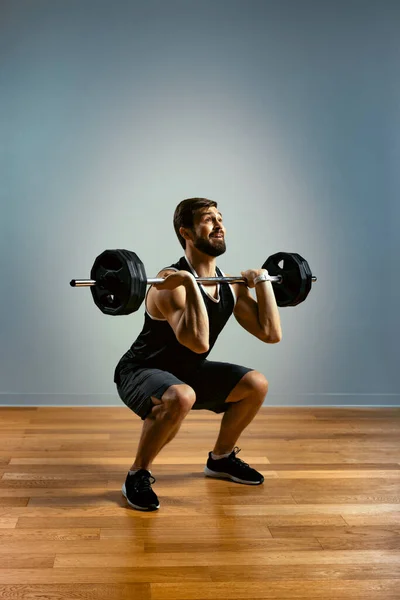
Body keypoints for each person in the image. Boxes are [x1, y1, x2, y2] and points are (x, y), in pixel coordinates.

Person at [114, 198, 282, 511]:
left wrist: (263, 283)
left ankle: (220, 460)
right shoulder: (170, 284)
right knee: (181, 396)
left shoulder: (228, 286)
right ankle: (137, 474)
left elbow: (270, 334)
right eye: (208, 219)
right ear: (187, 234)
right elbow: (198, 342)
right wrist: (191, 284)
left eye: (220, 218)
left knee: (256, 384)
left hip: (188, 371)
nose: (219, 225)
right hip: (140, 370)